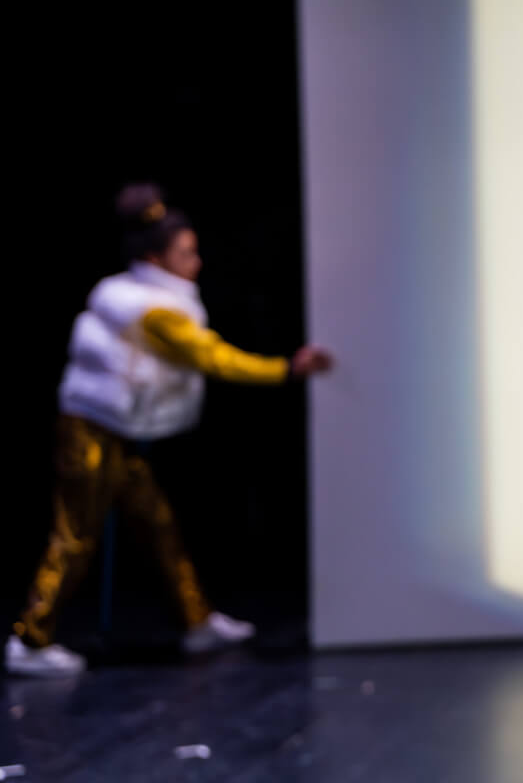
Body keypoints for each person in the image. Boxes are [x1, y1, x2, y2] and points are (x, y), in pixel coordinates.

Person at [6, 184, 333, 677]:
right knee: (74, 537)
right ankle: (29, 640)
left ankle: (196, 620)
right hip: (90, 433)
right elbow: (213, 357)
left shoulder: (143, 299)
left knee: (158, 526)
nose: (196, 262)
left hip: (116, 432)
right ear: (156, 258)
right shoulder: (151, 310)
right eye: (186, 253)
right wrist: (287, 369)